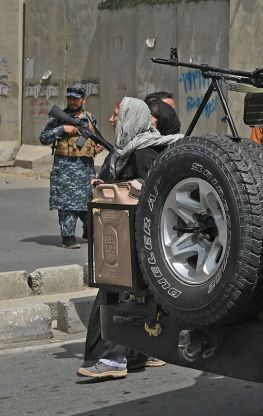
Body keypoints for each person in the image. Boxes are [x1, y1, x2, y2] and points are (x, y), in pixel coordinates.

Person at [78, 97, 180, 381]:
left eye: (116, 115)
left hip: (133, 239)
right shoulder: (130, 150)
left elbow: (151, 191)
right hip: (128, 237)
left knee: (116, 295)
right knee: (129, 295)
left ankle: (112, 359)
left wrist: (119, 188)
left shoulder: (142, 152)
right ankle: (134, 355)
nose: (112, 121)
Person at [38, 86, 102, 249]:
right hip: (65, 169)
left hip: (86, 169)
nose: (72, 101)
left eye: (76, 98)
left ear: (83, 100)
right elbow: (44, 138)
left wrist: (95, 147)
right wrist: (62, 129)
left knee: (88, 202)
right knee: (67, 205)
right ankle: (68, 237)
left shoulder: (90, 119)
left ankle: (89, 230)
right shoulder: (59, 118)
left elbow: (92, 139)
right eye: (70, 98)